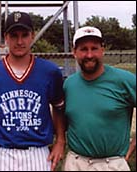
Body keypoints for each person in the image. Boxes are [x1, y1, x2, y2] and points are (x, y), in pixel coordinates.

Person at [0, 11, 66, 171]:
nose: (19, 41)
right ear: (6, 37)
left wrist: (61, 141)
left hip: (38, 153)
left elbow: (59, 107)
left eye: (24, 35)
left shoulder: (50, 72)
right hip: (0, 153)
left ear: (32, 36)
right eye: (14, 35)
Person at [63, 26, 136, 171]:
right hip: (76, 162)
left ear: (103, 50)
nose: (89, 55)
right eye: (83, 49)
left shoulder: (125, 80)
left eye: (94, 48)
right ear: (74, 52)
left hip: (111, 164)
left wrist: (131, 147)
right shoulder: (69, 84)